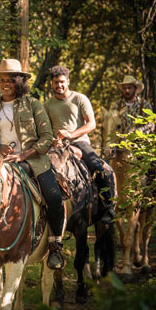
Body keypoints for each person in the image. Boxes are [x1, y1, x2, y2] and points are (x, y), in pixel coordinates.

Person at [0, 59, 66, 270]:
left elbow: (46, 137)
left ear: (19, 82)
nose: (5, 83)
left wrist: (24, 155)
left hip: (32, 161)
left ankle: (55, 246)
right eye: (2, 80)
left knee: (53, 194)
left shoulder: (33, 104)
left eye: (10, 80)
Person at [44, 65, 116, 224]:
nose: (59, 85)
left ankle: (107, 207)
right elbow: (46, 129)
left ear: (68, 81)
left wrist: (71, 134)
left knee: (103, 169)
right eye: (56, 82)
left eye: (62, 82)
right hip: (57, 146)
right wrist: (53, 140)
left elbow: (91, 124)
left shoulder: (79, 98)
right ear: (51, 83)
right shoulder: (48, 105)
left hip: (80, 142)